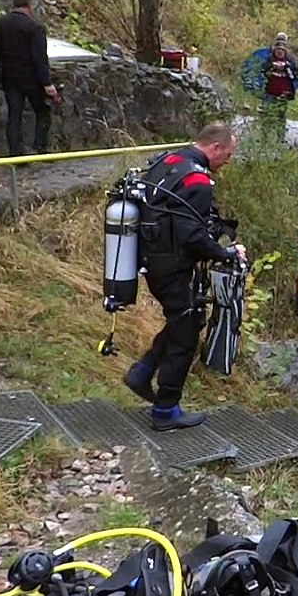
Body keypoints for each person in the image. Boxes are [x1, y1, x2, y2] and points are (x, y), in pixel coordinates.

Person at [122, 123, 246, 430]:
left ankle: (142, 372)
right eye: (227, 154)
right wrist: (228, 254)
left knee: (182, 320)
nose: (228, 161)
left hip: (149, 260)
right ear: (214, 148)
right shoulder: (198, 181)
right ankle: (166, 411)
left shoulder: (168, 161)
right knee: (186, 334)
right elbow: (193, 237)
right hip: (172, 268)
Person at [0, 0, 58, 156]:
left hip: (9, 78)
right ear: (29, 6)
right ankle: (39, 147)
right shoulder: (35, 28)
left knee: (14, 115)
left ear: (13, 5)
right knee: (42, 111)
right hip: (32, 79)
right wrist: (47, 83)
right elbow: (40, 57)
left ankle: (16, 153)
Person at [260, 41, 298, 145]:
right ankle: (264, 139)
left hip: (283, 94)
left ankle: (280, 139)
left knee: (281, 117)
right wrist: (272, 67)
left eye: (282, 50)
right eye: (278, 49)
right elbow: (261, 72)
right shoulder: (269, 60)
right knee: (266, 116)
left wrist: (287, 68)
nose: (279, 51)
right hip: (269, 93)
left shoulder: (290, 61)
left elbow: (297, 74)